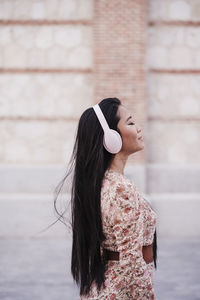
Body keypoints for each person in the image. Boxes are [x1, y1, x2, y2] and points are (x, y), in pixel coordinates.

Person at [54, 97, 157, 299]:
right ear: (111, 137)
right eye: (130, 122)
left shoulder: (102, 183)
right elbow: (132, 263)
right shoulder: (120, 189)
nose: (138, 128)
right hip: (121, 292)